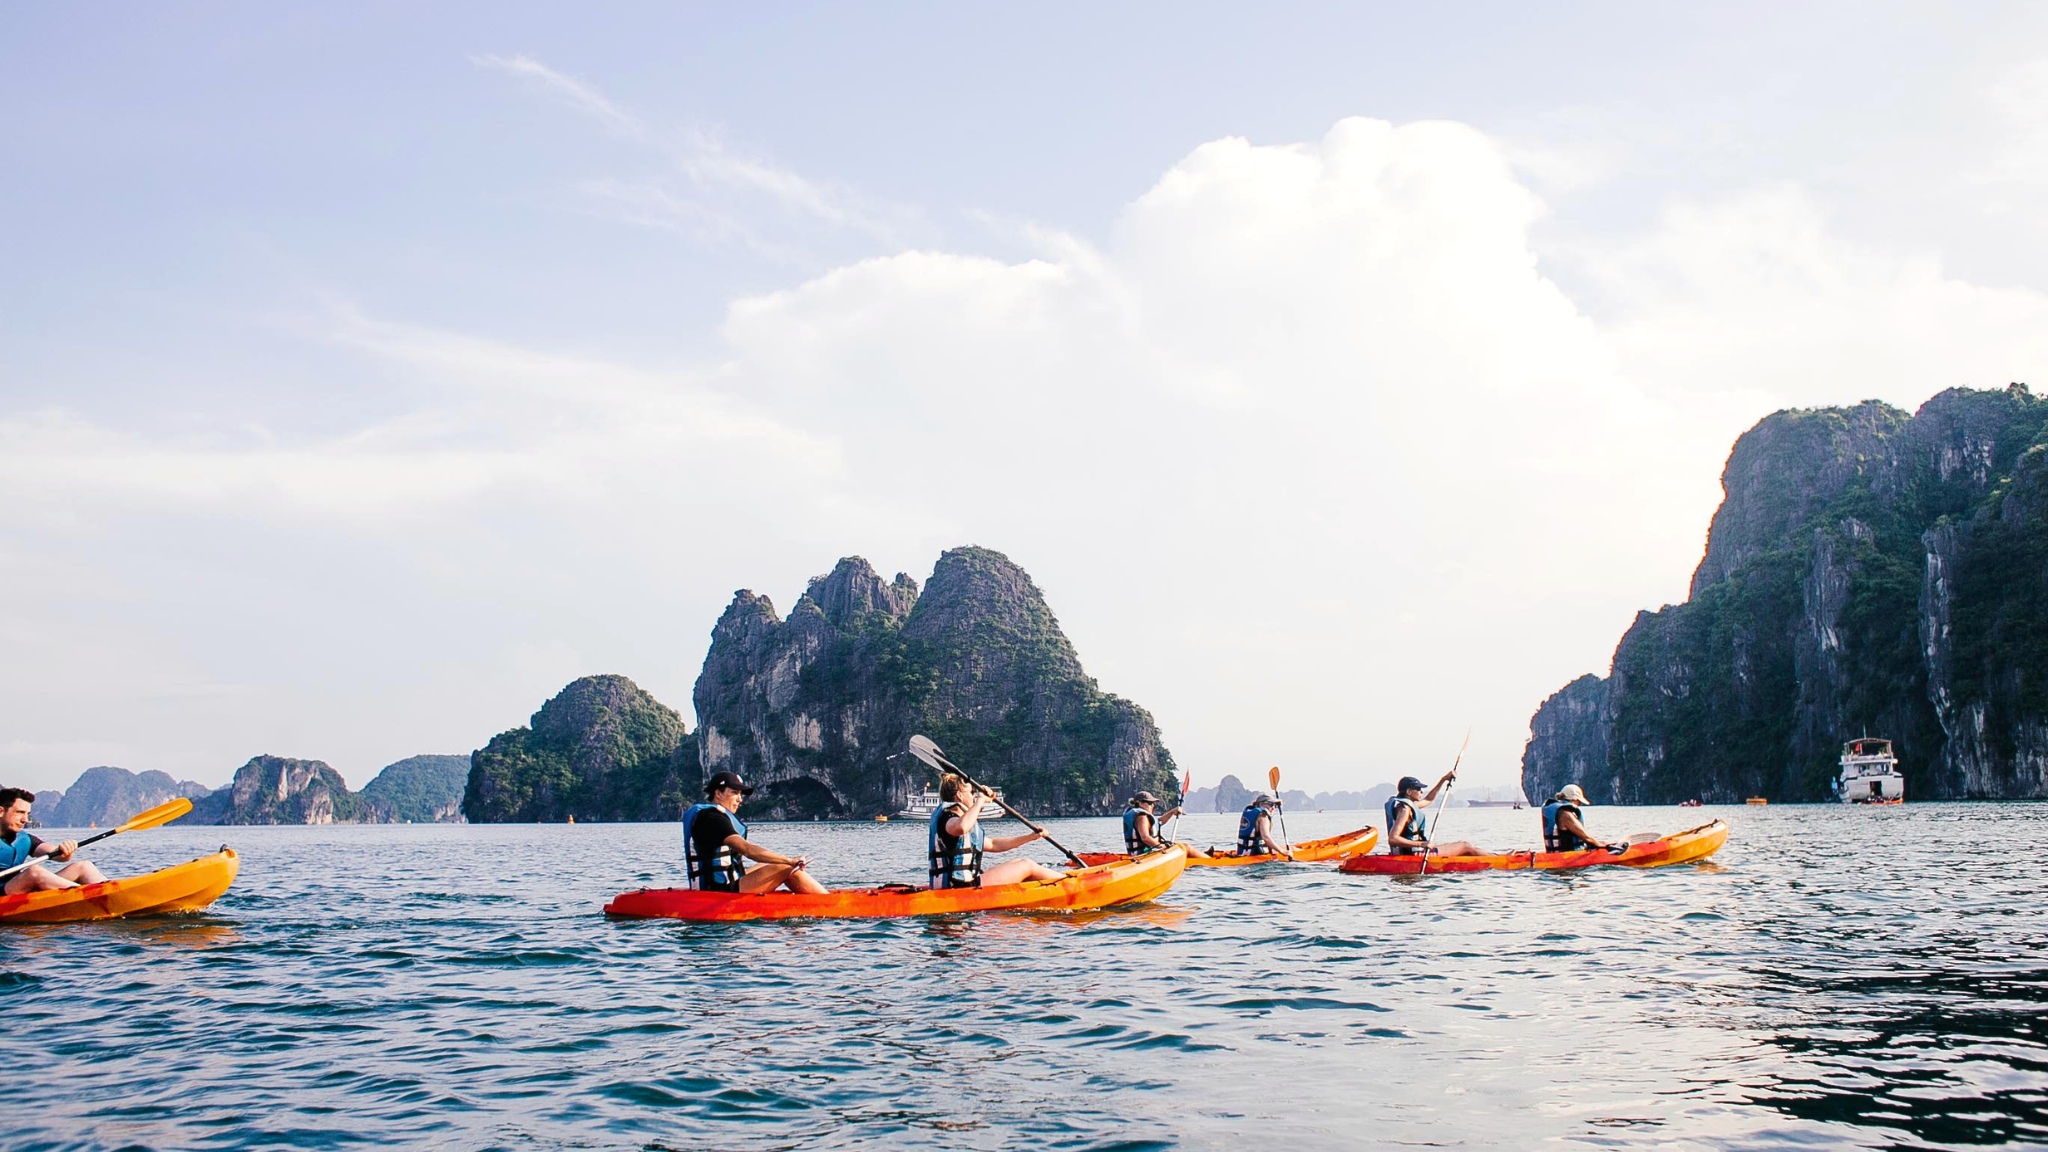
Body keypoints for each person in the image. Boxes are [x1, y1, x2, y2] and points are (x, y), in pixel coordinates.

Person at [681, 772, 828, 895]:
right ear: (718, 793)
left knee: (772, 863)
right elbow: (747, 850)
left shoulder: (710, 815)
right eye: (734, 793)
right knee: (785, 867)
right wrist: (789, 860)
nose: (740, 799)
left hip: (720, 884)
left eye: (740, 794)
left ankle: (818, 898)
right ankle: (827, 903)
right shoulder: (713, 818)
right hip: (720, 891)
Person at [930, 773, 1065, 889]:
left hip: (957, 884)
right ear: (959, 795)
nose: (973, 797)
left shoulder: (957, 820)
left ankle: (1062, 879)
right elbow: (961, 827)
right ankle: (1068, 883)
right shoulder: (948, 819)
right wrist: (981, 800)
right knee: (1027, 865)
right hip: (960, 887)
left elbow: (994, 845)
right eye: (971, 793)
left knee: (1018, 862)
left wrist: (1030, 837)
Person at [0, 787, 107, 894]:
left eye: (27, 814)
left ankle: (109, 893)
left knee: (84, 866)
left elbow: (57, 854)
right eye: (19, 812)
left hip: (18, 891)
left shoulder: (25, 839)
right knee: (34, 872)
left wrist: (65, 850)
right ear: (1, 811)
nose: (25, 820)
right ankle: (92, 895)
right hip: (3, 896)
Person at [1383, 774, 1489, 857]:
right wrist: (1422, 844)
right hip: (1416, 855)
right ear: (1409, 791)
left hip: (1406, 852)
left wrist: (1443, 780)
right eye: (1418, 789)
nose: (1421, 791)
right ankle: (1501, 860)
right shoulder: (1404, 810)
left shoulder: (1404, 806)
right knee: (1465, 846)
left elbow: (1428, 800)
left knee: (1465, 849)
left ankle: (1494, 856)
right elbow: (1393, 839)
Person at [1122, 791, 1211, 858]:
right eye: (1149, 803)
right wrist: (1161, 846)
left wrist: (1172, 812)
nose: (1152, 805)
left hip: (1142, 853)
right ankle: (1208, 860)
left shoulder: (1140, 815)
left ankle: (1202, 855)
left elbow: (1159, 822)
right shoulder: (1142, 817)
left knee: (1176, 844)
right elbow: (1145, 838)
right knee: (1186, 847)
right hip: (1144, 856)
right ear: (1140, 803)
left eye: (1153, 803)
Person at [1542, 784, 1620, 853]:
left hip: (1556, 854)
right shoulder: (1565, 814)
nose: (1580, 804)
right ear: (1574, 799)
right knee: (1601, 843)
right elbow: (1587, 838)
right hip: (1568, 858)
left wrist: (1605, 843)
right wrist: (1606, 846)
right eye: (1579, 801)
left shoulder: (1559, 810)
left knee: (1602, 842)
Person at [1224, 792, 1294, 859]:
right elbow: (1266, 837)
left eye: (1275, 806)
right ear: (1261, 804)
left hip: (1243, 852)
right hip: (1255, 854)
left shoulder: (1250, 812)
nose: (1273, 808)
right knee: (1293, 849)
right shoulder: (1263, 815)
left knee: (1291, 848)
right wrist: (1283, 851)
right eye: (1271, 804)